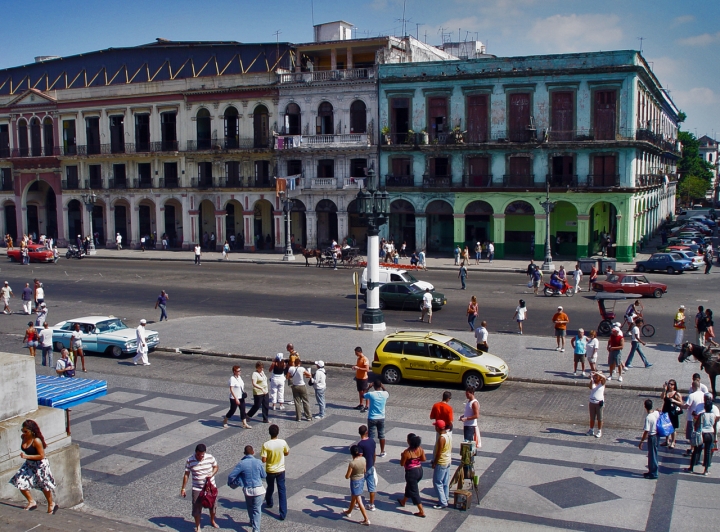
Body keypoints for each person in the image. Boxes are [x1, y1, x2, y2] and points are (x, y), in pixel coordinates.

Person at [10, 420, 56, 513]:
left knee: (44, 485)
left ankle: (51, 504)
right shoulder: (23, 437)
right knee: (18, 481)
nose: (24, 433)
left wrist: (26, 456)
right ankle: (31, 502)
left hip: (40, 465)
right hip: (29, 464)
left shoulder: (36, 441)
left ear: (32, 431)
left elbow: (42, 455)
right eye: (22, 430)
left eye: (26, 431)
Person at [181, 443, 219, 532]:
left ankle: (212, 520)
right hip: (197, 488)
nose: (200, 457)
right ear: (196, 452)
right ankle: (198, 527)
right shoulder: (190, 460)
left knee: (213, 506)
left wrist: (212, 474)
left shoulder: (210, 457)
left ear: (204, 453)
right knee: (197, 507)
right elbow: (186, 474)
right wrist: (183, 488)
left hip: (210, 487)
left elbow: (216, 467)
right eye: (198, 455)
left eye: (202, 455)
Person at [228, 445, 267, 532]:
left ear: (244, 453)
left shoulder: (241, 463)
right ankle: (256, 529)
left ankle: (252, 521)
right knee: (257, 509)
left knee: (249, 506)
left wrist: (230, 483)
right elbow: (264, 475)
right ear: (253, 452)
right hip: (258, 489)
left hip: (248, 490)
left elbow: (231, 475)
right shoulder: (258, 462)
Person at [261, 424, 290, 521]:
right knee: (282, 490)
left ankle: (269, 502)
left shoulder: (266, 444)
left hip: (270, 470)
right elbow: (286, 453)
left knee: (270, 487)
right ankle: (283, 513)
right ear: (278, 433)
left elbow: (264, 460)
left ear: (269, 433)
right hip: (281, 470)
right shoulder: (282, 442)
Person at [396, 433, 426, 517]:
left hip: (411, 473)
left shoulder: (407, 452)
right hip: (420, 470)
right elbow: (423, 459)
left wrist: (402, 456)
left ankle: (421, 511)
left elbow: (402, 464)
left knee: (414, 491)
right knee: (409, 486)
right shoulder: (420, 449)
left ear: (409, 441)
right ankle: (403, 501)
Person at [688, 397, 718, 475]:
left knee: (696, 451)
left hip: (702, 434)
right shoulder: (713, 415)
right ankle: (706, 470)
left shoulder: (702, 415)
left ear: (704, 407)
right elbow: (714, 425)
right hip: (710, 433)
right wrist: (714, 435)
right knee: (708, 451)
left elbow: (697, 424)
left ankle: (691, 467)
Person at [343, 445, 371, 526]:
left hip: (355, 482)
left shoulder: (352, 463)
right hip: (361, 479)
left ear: (351, 454)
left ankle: (366, 519)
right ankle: (348, 512)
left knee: (358, 500)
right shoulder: (363, 459)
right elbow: (365, 470)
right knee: (353, 497)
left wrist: (350, 475)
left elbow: (347, 476)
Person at [364, 380, 389, 456]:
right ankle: (382, 451)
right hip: (381, 417)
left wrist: (368, 387)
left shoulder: (371, 394)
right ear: (380, 386)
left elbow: (363, 395)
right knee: (382, 435)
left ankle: (371, 451)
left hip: (372, 417)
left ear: (374, 386)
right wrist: (383, 386)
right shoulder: (385, 394)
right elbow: (387, 392)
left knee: (371, 436)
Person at [431, 419, 452, 509]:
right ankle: (446, 498)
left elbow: (439, 453)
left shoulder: (441, 438)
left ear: (438, 428)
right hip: (448, 460)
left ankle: (442, 502)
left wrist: (434, 462)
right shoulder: (448, 435)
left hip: (441, 462)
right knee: (445, 482)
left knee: (437, 482)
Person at [683, 380, 706, 459]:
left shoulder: (692, 395)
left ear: (693, 387)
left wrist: (677, 403)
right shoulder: (704, 395)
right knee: (699, 433)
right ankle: (698, 448)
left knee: (692, 434)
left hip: (692, 418)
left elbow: (686, 406)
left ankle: (692, 449)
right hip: (702, 418)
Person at [356, 425, 377, 511]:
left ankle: (357, 504)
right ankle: (372, 504)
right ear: (366, 432)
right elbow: (374, 454)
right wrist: (373, 463)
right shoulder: (372, 441)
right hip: (371, 466)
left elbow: (360, 457)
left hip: (363, 468)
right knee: (372, 487)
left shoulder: (360, 444)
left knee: (359, 486)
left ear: (359, 433)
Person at [639, 399, 660, 479]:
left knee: (652, 455)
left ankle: (654, 473)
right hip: (656, 435)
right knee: (652, 454)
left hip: (652, 437)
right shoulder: (656, 413)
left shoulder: (648, 417)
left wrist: (641, 441)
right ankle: (651, 471)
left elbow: (646, 431)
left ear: (645, 407)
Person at [661, 380, 683, 449]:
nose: (670, 385)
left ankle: (673, 442)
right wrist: (664, 390)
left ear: (674, 386)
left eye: (672, 384)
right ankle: (667, 440)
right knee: (666, 426)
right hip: (666, 411)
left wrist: (674, 400)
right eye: (669, 384)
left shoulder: (676, 394)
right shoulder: (666, 392)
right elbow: (662, 397)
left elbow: (681, 403)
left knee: (673, 428)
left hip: (673, 412)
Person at [587, 371, 606, 438]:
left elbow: (604, 378)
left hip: (599, 403)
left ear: (599, 377)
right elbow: (590, 387)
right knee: (592, 418)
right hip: (592, 402)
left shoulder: (602, 383)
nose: (595, 377)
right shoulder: (593, 383)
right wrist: (591, 379)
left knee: (599, 418)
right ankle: (591, 430)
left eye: (596, 376)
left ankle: (599, 431)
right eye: (594, 376)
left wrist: (597, 373)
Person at [352, 347, 370, 411]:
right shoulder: (359, 359)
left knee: (365, 392)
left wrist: (358, 368)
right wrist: (355, 367)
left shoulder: (365, 359)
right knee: (360, 391)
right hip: (358, 377)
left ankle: (367, 405)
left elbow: (367, 369)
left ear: (360, 352)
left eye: (356, 353)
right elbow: (358, 366)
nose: (355, 354)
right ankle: (361, 404)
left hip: (363, 378)